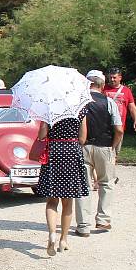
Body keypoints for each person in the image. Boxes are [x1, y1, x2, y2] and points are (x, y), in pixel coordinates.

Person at [35, 105, 89, 257]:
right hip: (72, 152)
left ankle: (52, 233)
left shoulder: (50, 107)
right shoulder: (81, 109)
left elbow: (42, 135)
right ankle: (63, 240)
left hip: (54, 151)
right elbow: (83, 138)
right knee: (68, 202)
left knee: (52, 201)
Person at [75, 70, 123, 236]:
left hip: (83, 147)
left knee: (84, 186)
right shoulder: (110, 102)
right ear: (102, 85)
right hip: (104, 146)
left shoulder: (78, 102)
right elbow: (119, 129)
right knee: (106, 183)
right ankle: (103, 220)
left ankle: (83, 226)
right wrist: (113, 147)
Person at [103, 67, 136, 152]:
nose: (112, 79)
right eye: (110, 77)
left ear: (120, 77)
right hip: (104, 125)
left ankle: (114, 161)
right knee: (104, 151)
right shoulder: (103, 88)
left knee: (115, 151)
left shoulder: (126, 90)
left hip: (119, 125)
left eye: (114, 77)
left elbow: (132, 107)